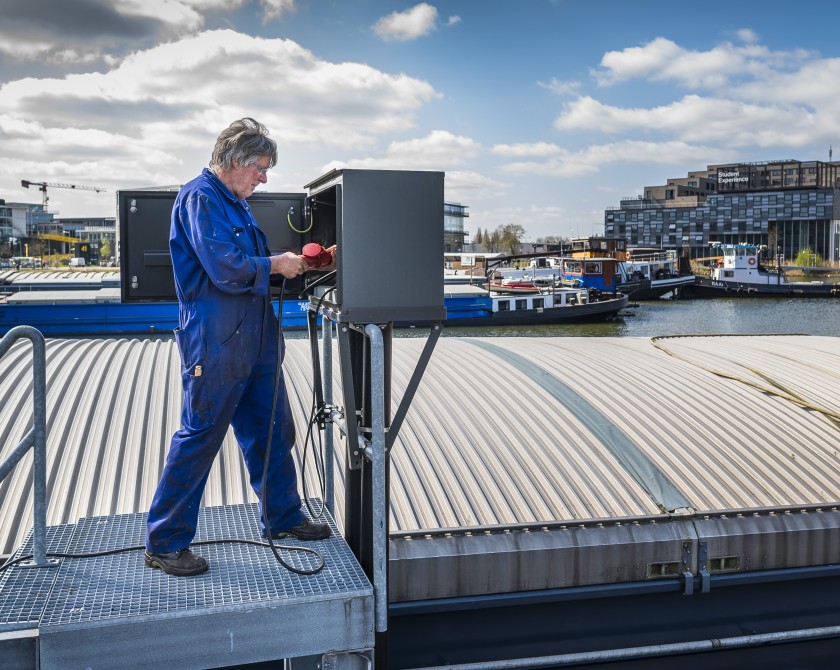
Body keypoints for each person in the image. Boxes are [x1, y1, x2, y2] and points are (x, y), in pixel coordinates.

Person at [145, 118, 333, 577]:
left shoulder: (236, 202)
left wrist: (300, 265)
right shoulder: (200, 198)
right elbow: (225, 268)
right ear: (233, 161)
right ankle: (165, 542)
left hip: (255, 337)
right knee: (200, 436)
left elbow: (250, 266)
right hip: (215, 339)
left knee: (272, 428)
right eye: (260, 168)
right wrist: (277, 263)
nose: (264, 177)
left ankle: (283, 518)